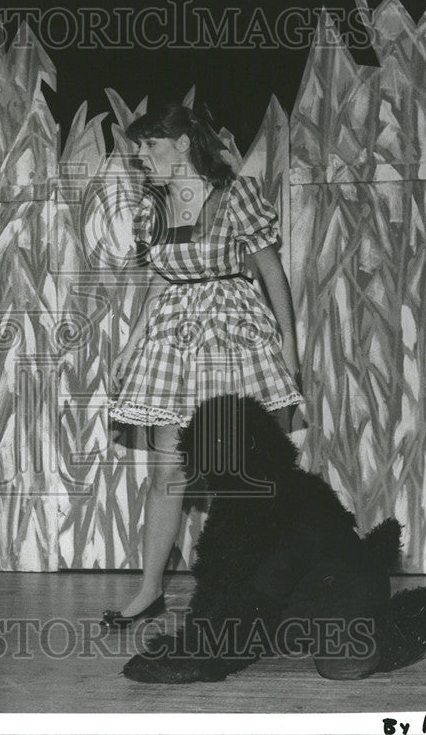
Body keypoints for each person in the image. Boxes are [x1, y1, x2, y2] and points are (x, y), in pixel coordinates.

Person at [104, 102, 303, 626]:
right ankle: (149, 590)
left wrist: (289, 346)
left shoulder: (236, 195)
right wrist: (131, 342)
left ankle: (258, 591)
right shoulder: (153, 207)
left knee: (244, 471)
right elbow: (158, 280)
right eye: (139, 147)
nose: (142, 156)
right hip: (174, 342)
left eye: (151, 144)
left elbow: (272, 274)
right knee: (168, 469)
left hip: (233, 335)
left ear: (184, 144)